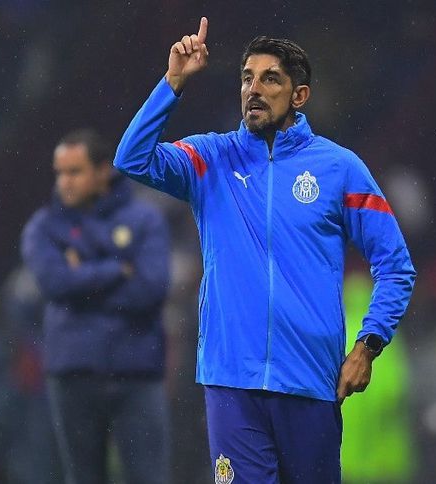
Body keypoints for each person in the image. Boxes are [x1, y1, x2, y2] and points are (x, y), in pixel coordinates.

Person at [113, 18, 416, 484]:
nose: (254, 89)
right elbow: (132, 158)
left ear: (299, 95)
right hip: (231, 381)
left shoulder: (339, 169)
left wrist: (368, 346)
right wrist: (173, 81)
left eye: (270, 79)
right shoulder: (211, 159)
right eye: (247, 78)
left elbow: (395, 266)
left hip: (310, 380)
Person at [21, 129, 171, 484]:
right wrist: (116, 270)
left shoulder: (144, 219)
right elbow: (55, 284)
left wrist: (82, 278)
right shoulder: (44, 227)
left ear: (103, 170)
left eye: (75, 172)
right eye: (60, 172)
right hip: (75, 374)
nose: (65, 182)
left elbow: (150, 290)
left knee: (150, 478)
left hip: (136, 371)